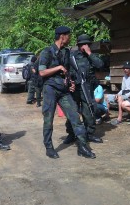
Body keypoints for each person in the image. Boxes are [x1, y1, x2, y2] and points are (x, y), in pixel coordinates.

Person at [38, 26, 94, 159]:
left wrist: (71, 83)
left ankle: (82, 147)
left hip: (63, 91)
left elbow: (67, 71)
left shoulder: (66, 52)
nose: (70, 38)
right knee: (48, 119)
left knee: (75, 117)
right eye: (69, 35)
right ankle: (49, 147)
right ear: (62, 36)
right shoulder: (47, 52)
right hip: (50, 89)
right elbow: (42, 72)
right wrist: (58, 67)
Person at [64, 34, 104, 144]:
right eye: (83, 44)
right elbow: (65, 71)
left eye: (87, 44)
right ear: (79, 45)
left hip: (87, 89)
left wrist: (89, 53)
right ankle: (71, 134)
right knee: (72, 112)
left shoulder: (91, 56)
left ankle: (89, 134)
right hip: (75, 89)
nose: (85, 46)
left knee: (89, 112)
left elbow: (100, 65)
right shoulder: (72, 56)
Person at [110, 61, 130, 125]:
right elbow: (123, 89)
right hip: (124, 93)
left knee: (120, 98)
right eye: (124, 68)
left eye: (127, 68)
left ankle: (119, 118)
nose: (125, 70)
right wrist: (118, 94)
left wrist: (124, 96)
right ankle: (106, 115)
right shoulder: (124, 77)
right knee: (107, 97)